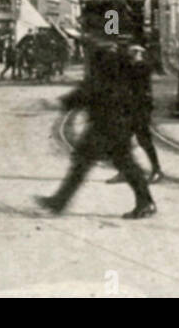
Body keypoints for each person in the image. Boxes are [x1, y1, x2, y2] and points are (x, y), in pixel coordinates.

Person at [38, 37, 156, 219]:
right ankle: (58, 202)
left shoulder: (104, 63)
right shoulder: (114, 63)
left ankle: (59, 202)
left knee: (93, 162)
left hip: (109, 125)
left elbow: (89, 91)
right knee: (107, 162)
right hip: (112, 123)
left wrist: (59, 103)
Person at [107, 39, 164, 185]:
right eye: (133, 51)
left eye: (137, 51)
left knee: (144, 140)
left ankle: (157, 170)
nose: (135, 54)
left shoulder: (142, 66)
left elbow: (136, 75)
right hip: (127, 107)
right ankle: (124, 171)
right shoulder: (127, 66)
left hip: (140, 108)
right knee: (121, 140)